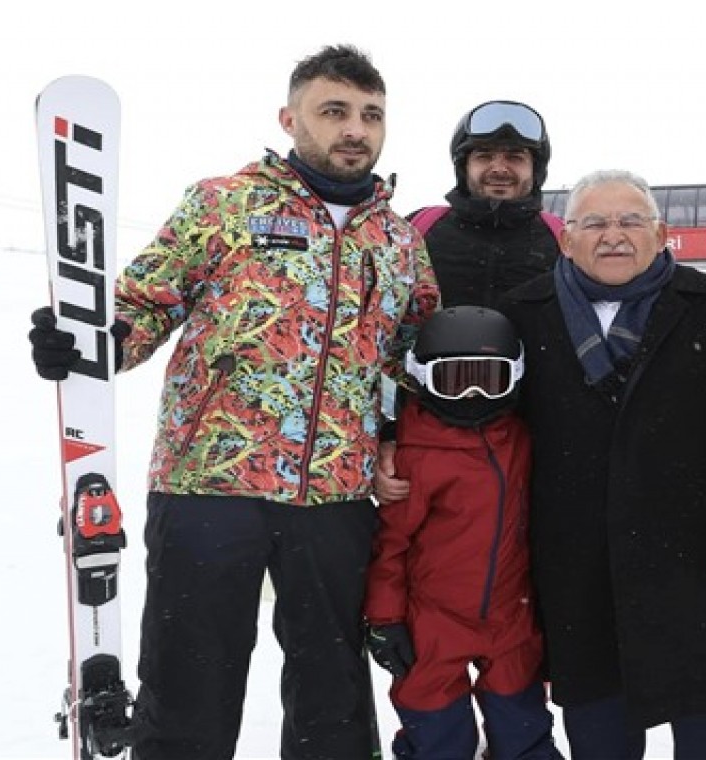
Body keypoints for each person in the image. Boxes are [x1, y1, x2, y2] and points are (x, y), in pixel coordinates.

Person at [28, 45, 439, 759]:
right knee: (189, 687)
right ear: (290, 118)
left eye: (371, 115)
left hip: (337, 497)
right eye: (334, 111)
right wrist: (93, 341)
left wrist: (400, 437)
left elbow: (412, 356)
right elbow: (143, 305)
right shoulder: (223, 204)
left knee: (332, 699)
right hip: (209, 487)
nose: (355, 130)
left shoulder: (399, 241)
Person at [496, 169, 706, 759]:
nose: (613, 235)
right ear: (566, 238)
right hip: (576, 564)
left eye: (631, 221)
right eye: (594, 222)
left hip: (694, 562)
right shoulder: (523, 313)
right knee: (601, 738)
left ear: (663, 233)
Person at [364, 306, 563, 760]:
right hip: (433, 622)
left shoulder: (522, 439)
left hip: (511, 616)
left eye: (488, 379)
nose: (473, 394)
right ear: (422, 379)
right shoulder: (415, 456)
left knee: (523, 730)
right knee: (438, 737)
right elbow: (390, 545)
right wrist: (386, 619)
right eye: (455, 380)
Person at [410, 100, 563, 308]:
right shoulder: (417, 230)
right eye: (484, 156)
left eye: (515, 158)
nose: (499, 169)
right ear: (464, 168)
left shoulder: (564, 240)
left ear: (535, 170)